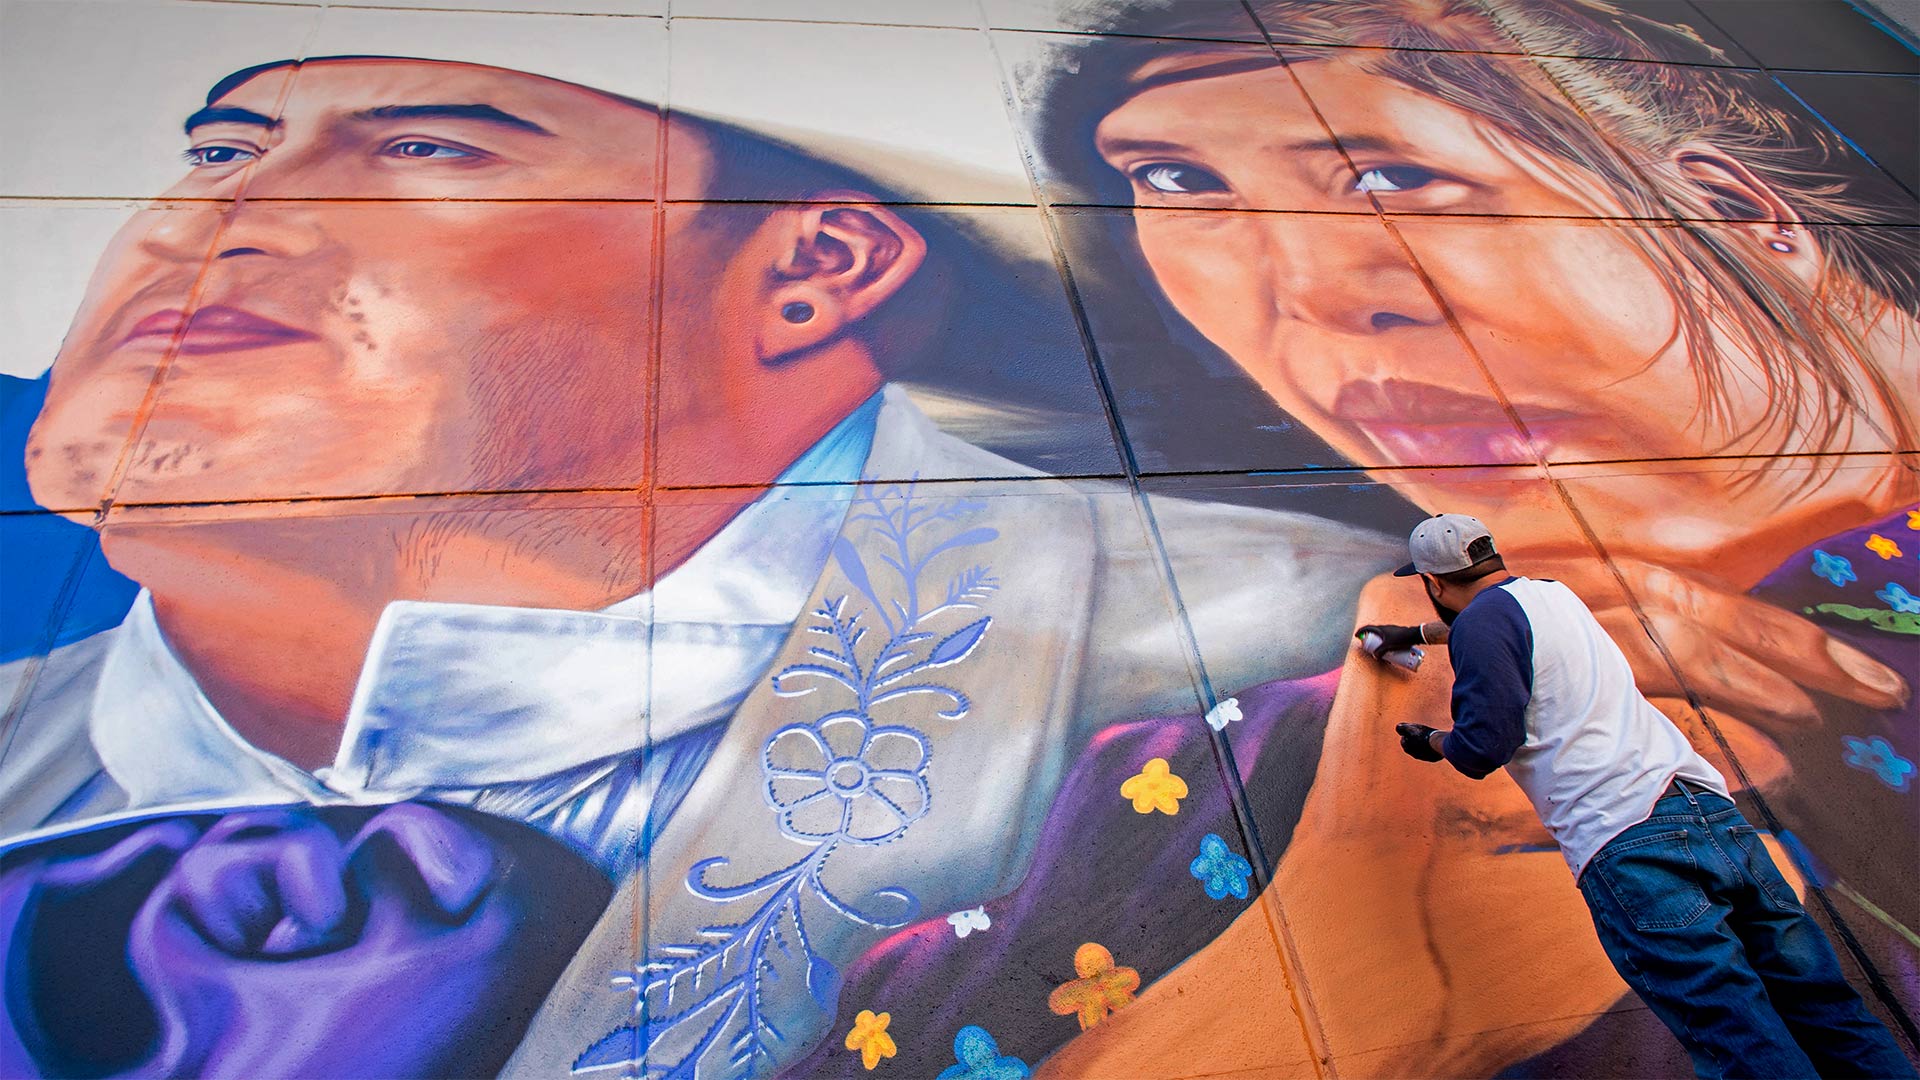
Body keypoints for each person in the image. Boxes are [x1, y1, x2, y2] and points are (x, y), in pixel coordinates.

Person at [0, 51, 1399, 1078]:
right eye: (219, 147)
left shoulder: (1295, 645)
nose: (216, 213)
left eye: (428, 148)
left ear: (815, 270)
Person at [1029, 0, 1919, 1072]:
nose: (1312, 296)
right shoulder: (1234, 770)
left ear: (1735, 207)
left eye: (1391, 177)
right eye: (1176, 179)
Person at [1368, 512, 1913, 1079]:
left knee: (1738, 1034)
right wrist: (1415, 636)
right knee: (1826, 1009)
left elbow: (1483, 746)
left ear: (1433, 584)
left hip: (1630, 842)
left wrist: (1432, 741)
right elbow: (1497, 627)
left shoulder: (1483, 624)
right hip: (1712, 817)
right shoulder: (1554, 596)